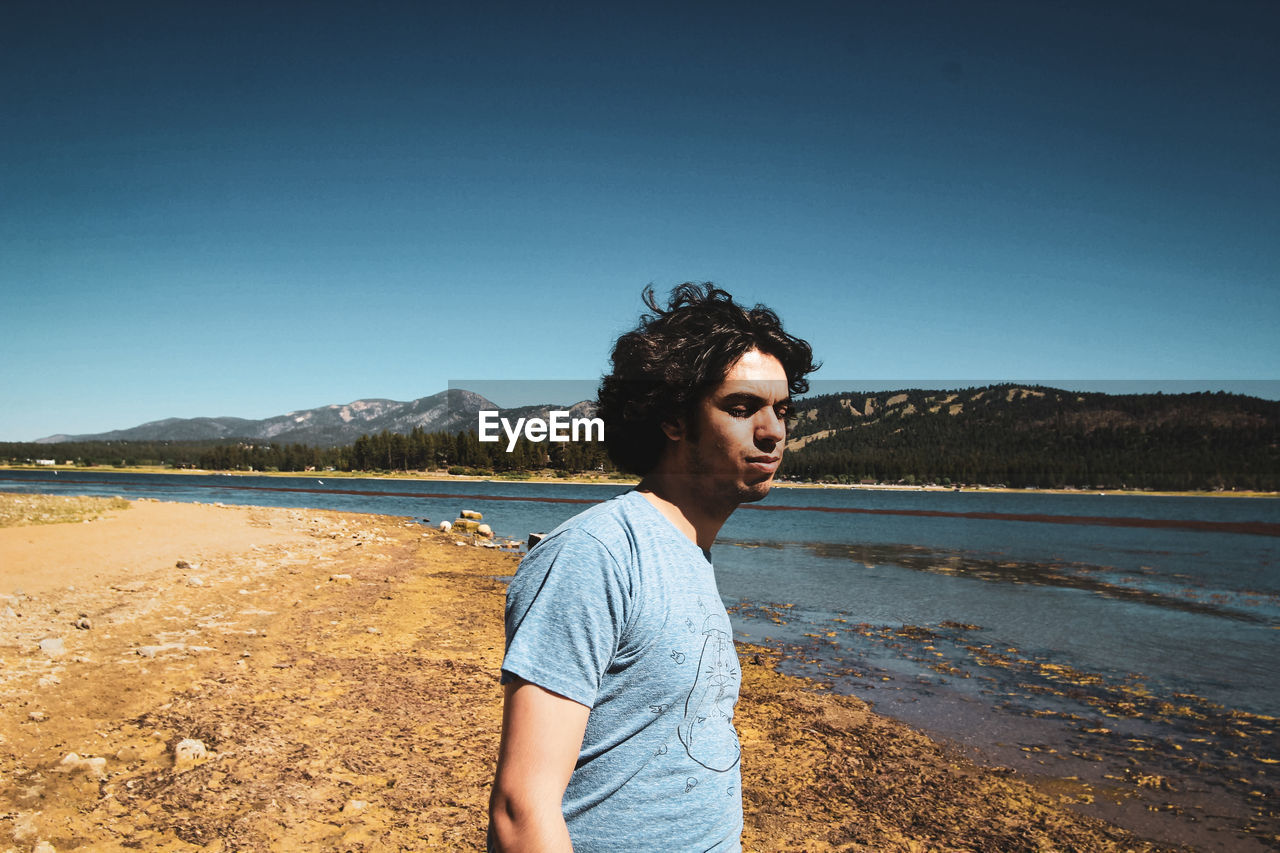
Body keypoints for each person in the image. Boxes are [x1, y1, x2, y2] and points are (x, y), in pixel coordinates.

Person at [488, 283, 818, 852]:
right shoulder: (597, 553)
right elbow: (522, 810)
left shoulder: (687, 550)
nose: (773, 431)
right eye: (741, 408)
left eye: (781, 409)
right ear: (671, 419)